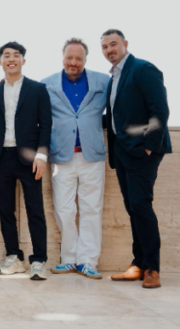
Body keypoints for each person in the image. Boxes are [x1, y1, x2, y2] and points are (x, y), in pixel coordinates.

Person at [101, 29, 172, 289]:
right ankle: (139, 264)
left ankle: (152, 268)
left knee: (141, 206)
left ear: (125, 44)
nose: (109, 50)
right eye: (105, 47)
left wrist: (149, 147)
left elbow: (160, 109)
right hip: (122, 152)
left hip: (143, 151)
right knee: (133, 208)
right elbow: (117, 116)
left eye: (113, 44)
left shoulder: (143, 69)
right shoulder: (113, 78)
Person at [41, 38, 109, 280]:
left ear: (85, 59)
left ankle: (87, 261)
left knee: (92, 208)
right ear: (62, 57)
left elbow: (121, 102)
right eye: (69, 57)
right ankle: (69, 259)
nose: (73, 62)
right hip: (62, 156)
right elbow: (30, 105)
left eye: (78, 58)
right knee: (64, 209)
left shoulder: (104, 81)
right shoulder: (46, 84)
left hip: (92, 156)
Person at [0, 41, 51, 281]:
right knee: (5, 210)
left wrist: (41, 155)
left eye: (15, 55)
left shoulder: (38, 89)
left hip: (30, 158)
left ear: (23, 60)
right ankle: (14, 257)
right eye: (6, 55)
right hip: (0, 158)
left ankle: (39, 260)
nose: (11, 59)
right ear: (0, 61)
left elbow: (46, 124)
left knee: (35, 210)